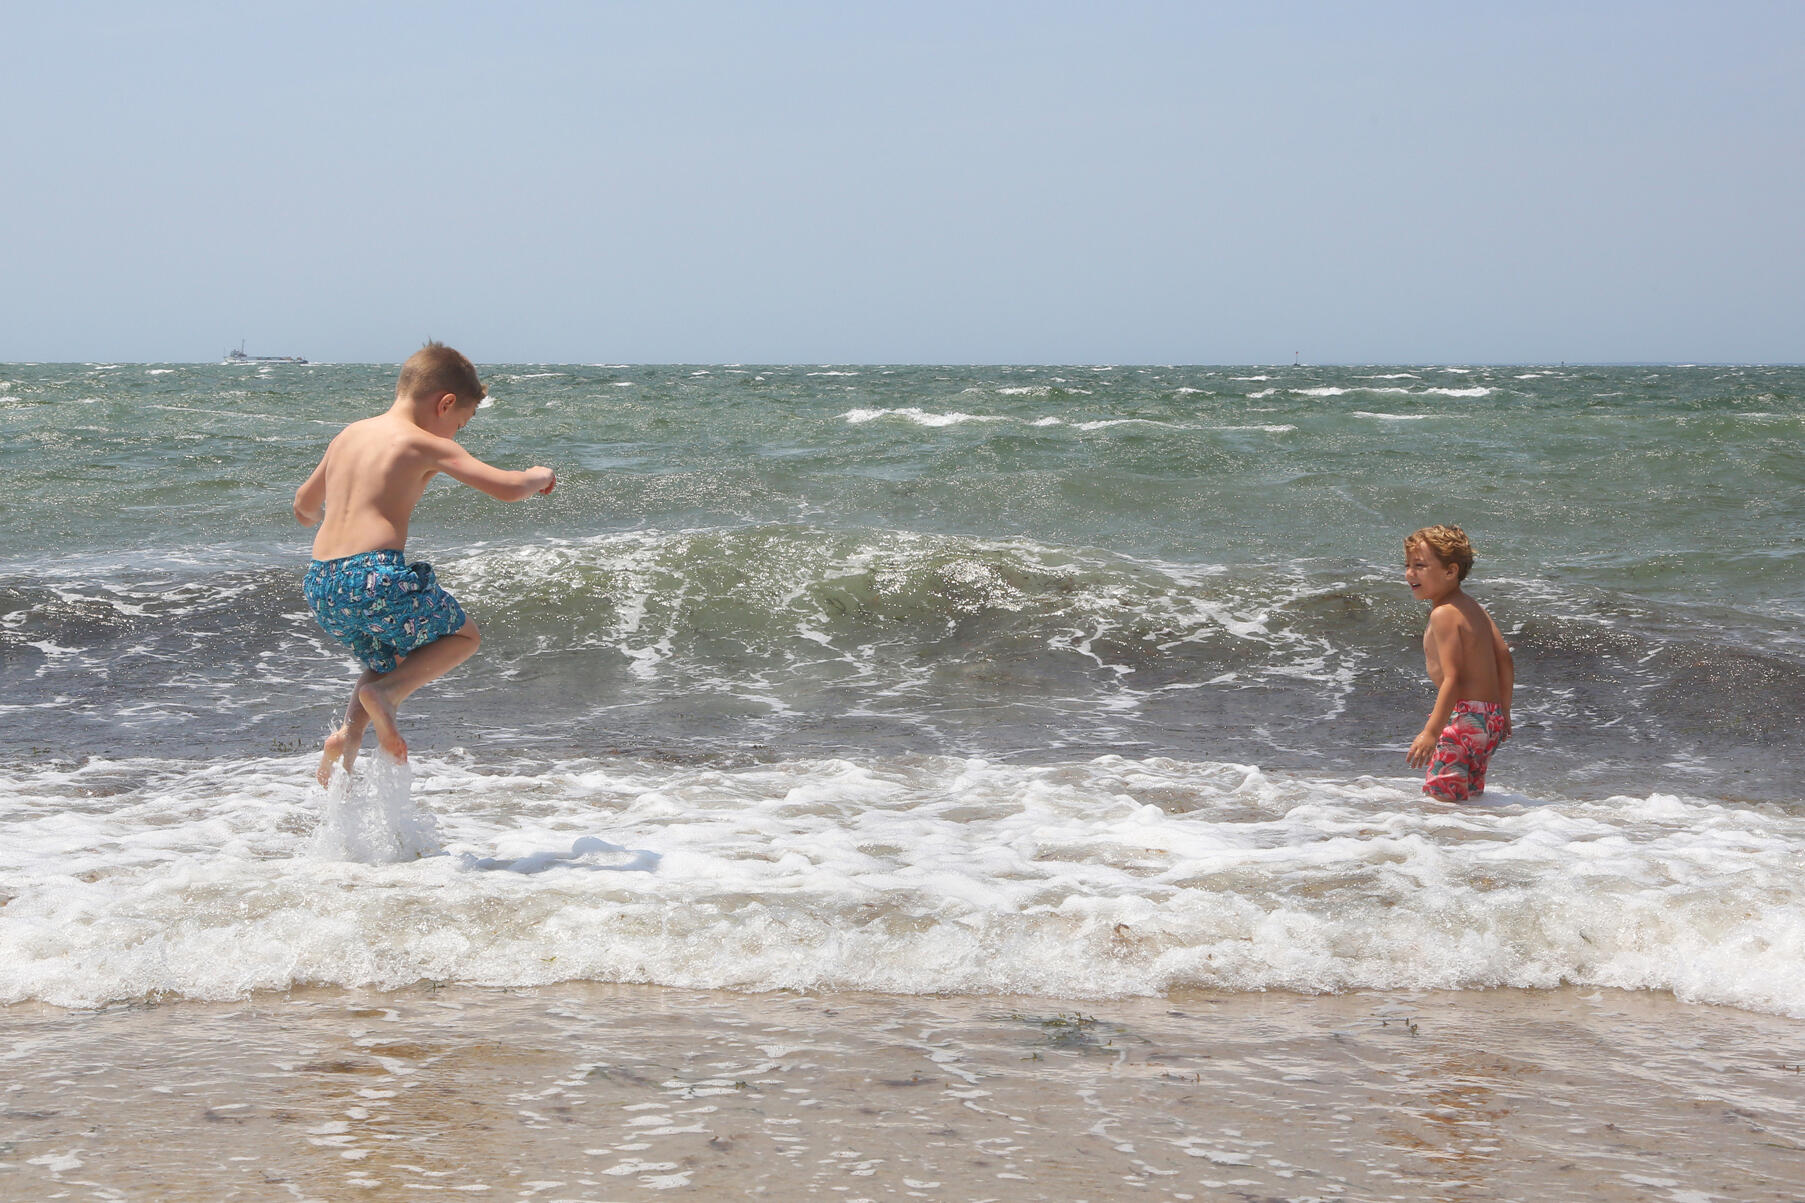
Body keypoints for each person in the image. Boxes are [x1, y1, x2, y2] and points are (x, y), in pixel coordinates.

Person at [294, 342, 555, 786]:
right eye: (460, 423)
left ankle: (347, 736)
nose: (455, 433)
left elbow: (303, 505)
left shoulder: (349, 435)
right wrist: (539, 475)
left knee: (391, 653)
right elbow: (508, 488)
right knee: (464, 636)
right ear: (446, 403)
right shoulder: (424, 443)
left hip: (322, 582)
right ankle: (386, 697)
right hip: (374, 573)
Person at [1403, 524, 1514, 802]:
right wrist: (1503, 713)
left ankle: (1447, 843)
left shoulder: (1443, 614)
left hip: (1463, 719)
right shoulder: (1475, 608)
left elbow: (1454, 678)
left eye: (1419, 565)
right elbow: (1505, 658)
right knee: (1469, 799)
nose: (1409, 573)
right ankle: (1469, 842)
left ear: (1450, 571)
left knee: (1440, 799)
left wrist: (1431, 732)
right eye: (1407, 564)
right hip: (1489, 720)